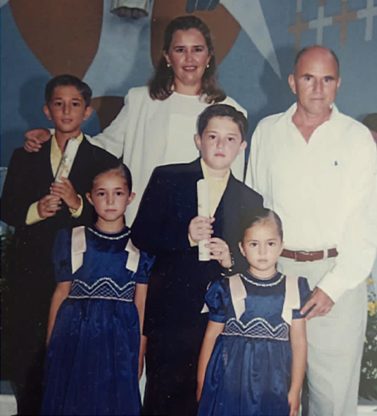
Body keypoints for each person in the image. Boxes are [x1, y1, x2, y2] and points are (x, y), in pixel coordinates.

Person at [247, 45, 377, 416]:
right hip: (275, 275)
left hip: (336, 279)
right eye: (308, 78)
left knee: (330, 401)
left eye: (327, 79)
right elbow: (255, 209)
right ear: (292, 82)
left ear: (338, 85)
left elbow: (366, 223)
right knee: (271, 390)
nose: (318, 88)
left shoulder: (357, 139)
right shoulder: (267, 132)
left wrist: (331, 288)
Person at [24, 15, 246, 224]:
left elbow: (235, 184)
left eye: (197, 49)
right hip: (143, 219)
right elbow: (103, 148)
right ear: (168, 57)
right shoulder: (141, 100)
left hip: (201, 225)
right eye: (180, 50)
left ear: (208, 56)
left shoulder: (232, 110)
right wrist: (55, 135)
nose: (189, 58)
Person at [131, 104, 263, 415]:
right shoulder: (168, 177)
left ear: (242, 146)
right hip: (171, 314)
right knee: (164, 396)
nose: (221, 145)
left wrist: (231, 259)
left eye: (231, 139)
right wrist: (185, 235)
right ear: (198, 140)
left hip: (219, 319)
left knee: (212, 396)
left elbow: (252, 260)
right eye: (213, 136)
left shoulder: (250, 199)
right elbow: (142, 235)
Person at [0, 74, 118, 415]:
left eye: (75, 104)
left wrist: (78, 203)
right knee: (30, 354)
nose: (67, 111)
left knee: (74, 355)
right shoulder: (25, 156)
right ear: (47, 111)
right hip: (31, 272)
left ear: (87, 112)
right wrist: (36, 210)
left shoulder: (103, 161)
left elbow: (110, 214)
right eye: (59, 104)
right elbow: (7, 208)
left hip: (79, 273)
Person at [40, 162, 154, 415]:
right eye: (102, 193)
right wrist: (51, 345)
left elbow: (142, 303)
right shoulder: (73, 239)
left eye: (118, 193)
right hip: (75, 337)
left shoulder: (141, 246)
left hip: (119, 341)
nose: (110, 200)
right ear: (90, 198)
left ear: (130, 197)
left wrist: (139, 354)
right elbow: (61, 293)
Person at [197, 208, 310, 416]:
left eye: (270, 243)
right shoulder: (226, 287)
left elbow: (299, 342)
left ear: (281, 246)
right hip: (230, 383)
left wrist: (295, 389)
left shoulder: (294, 287)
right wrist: (202, 382)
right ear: (241, 248)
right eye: (254, 244)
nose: (262, 252)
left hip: (273, 385)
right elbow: (211, 336)